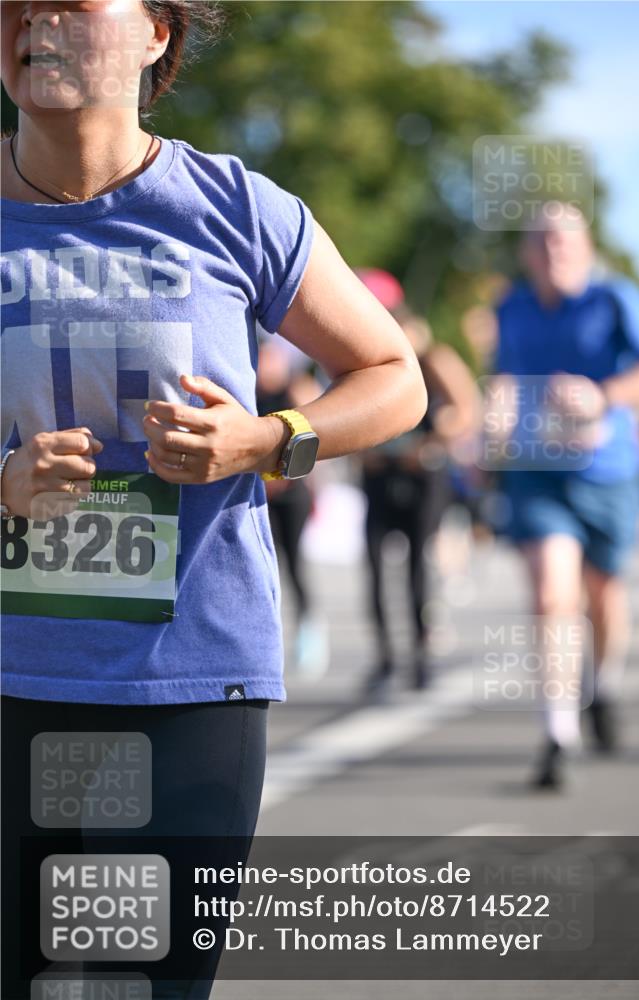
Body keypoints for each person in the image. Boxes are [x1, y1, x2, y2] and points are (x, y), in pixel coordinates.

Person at [0, 3, 428, 998]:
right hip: (10, 677)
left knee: (145, 985)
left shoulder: (235, 207)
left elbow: (393, 376)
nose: (35, 15)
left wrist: (266, 442)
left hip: (187, 681)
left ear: (157, 34)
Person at [487, 202, 639, 789]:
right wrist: (494, 419)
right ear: (525, 252)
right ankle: (557, 731)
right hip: (537, 472)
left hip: (610, 473)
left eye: (564, 240)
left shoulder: (615, 299)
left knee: (602, 594)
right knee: (550, 595)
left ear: (585, 247)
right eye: (541, 241)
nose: (553, 250)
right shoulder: (511, 307)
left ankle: (604, 687)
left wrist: (601, 395)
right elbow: (506, 380)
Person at [356, 270, 480, 693]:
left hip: (423, 476)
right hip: (381, 475)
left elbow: (466, 408)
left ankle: (422, 654)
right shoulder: (367, 358)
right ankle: (386, 654)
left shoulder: (434, 358)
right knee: (372, 564)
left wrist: (433, 440)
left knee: (417, 568)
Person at [256, 338, 329, 678]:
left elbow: (318, 438)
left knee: (295, 562)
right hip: (260, 493)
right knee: (263, 565)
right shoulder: (246, 385)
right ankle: (269, 635)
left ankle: (310, 628)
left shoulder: (297, 387)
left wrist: (295, 479)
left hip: (292, 492)